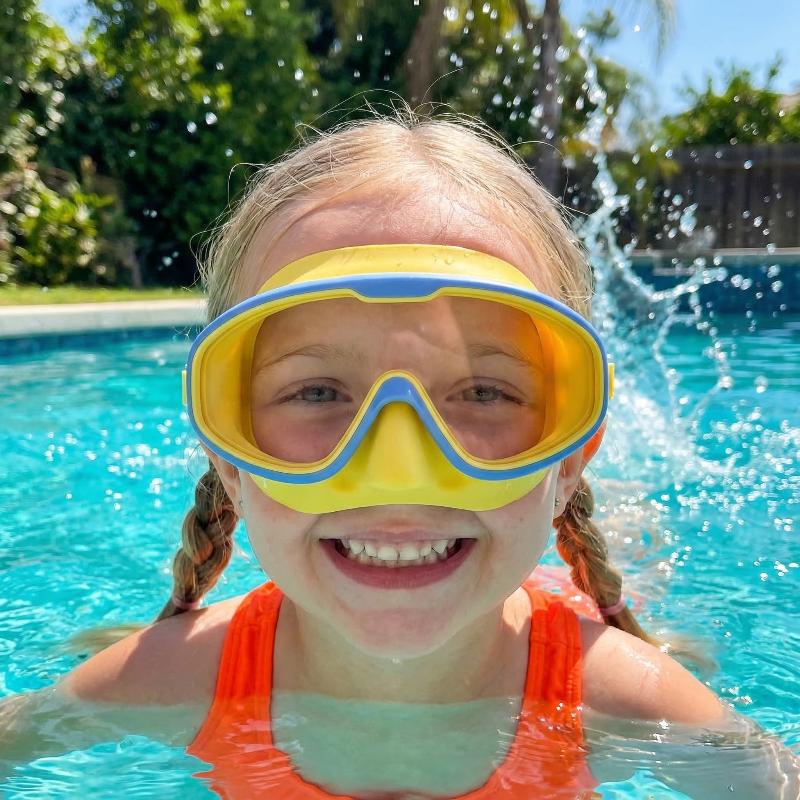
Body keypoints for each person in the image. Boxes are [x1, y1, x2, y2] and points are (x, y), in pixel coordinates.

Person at [2, 107, 798, 800]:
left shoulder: (625, 699)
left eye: (482, 392)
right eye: (318, 392)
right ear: (230, 461)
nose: (398, 471)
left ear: (568, 462)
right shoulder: (172, 676)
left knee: (626, 559)